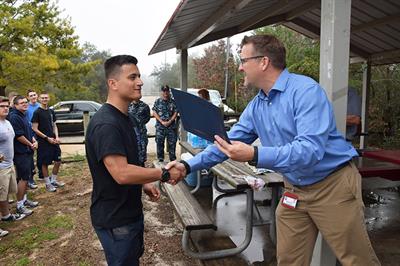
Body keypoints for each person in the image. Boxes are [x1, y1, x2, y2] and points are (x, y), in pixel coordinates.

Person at [167, 35, 380, 266]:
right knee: (288, 260)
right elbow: (225, 144)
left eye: (243, 60)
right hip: (294, 190)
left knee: (357, 260)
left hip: (332, 186)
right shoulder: (257, 105)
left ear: (263, 62)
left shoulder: (305, 91)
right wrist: (187, 165)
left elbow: (309, 151)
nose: (240, 67)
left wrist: (255, 155)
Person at [85, 55, 183, 266]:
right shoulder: (106, 124)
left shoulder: (126, 117)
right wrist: (163, 173)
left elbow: (130, 162)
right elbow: (121, 173)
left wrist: (144, 181)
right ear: (113, 83)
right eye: (132, 77)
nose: (140, 82)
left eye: (139, 76)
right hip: (115, 218)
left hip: (128, 211)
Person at [8, 95, 39, 216]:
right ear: (15, 105)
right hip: (20, 153)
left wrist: (34, 140)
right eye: (21, 103)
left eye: (26, 102)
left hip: (28, 151)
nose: (25, 104)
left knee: (27, 176)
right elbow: (19, 136)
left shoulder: (24, 115)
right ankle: (19, 205)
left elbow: (29, 131)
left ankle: (25, 200)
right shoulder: (14, 117)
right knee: (23, 178)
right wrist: (31, 144)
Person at [0, 96, 26, 224]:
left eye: (7, 106)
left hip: (10, 164)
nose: (5, 108)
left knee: (5, 195)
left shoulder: (7, 122)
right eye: (2, 106)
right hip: (1, 167)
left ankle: (6, 216)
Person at [31, 92, 65, 192]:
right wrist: (46, 138)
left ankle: (53, 180)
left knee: (58, 161)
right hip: (43, 142)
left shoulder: (51, 111)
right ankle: (47, 184)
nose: (45, 99)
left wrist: (57, 137)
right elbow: (34, 129)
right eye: (42, 98)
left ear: (49, 99)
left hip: (54, 141)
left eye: (46, 98)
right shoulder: (37, 112)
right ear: (39, 100)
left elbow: (54, 125)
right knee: (44, 163)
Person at [152, 85, 178, 162]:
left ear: (169, 91)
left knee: (172, 145)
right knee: (159, 144)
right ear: (161, 92)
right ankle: (160, 161)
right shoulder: (158, 101)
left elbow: (176, 112)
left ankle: (173, 161)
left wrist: (170, 121)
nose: (165, 93)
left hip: (171, 127)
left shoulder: (173, 102)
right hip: (160, 127)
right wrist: (161, 121)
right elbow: (154, 112)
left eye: (167, 91)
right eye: (164, 91)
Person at [128, 100, 151, 166]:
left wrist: (140, 123)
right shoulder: (128, 105)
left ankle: (142, 165)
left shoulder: (144, 106)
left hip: (141, 131)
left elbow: (147, 117)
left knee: (143, 148)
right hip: (131, 132)